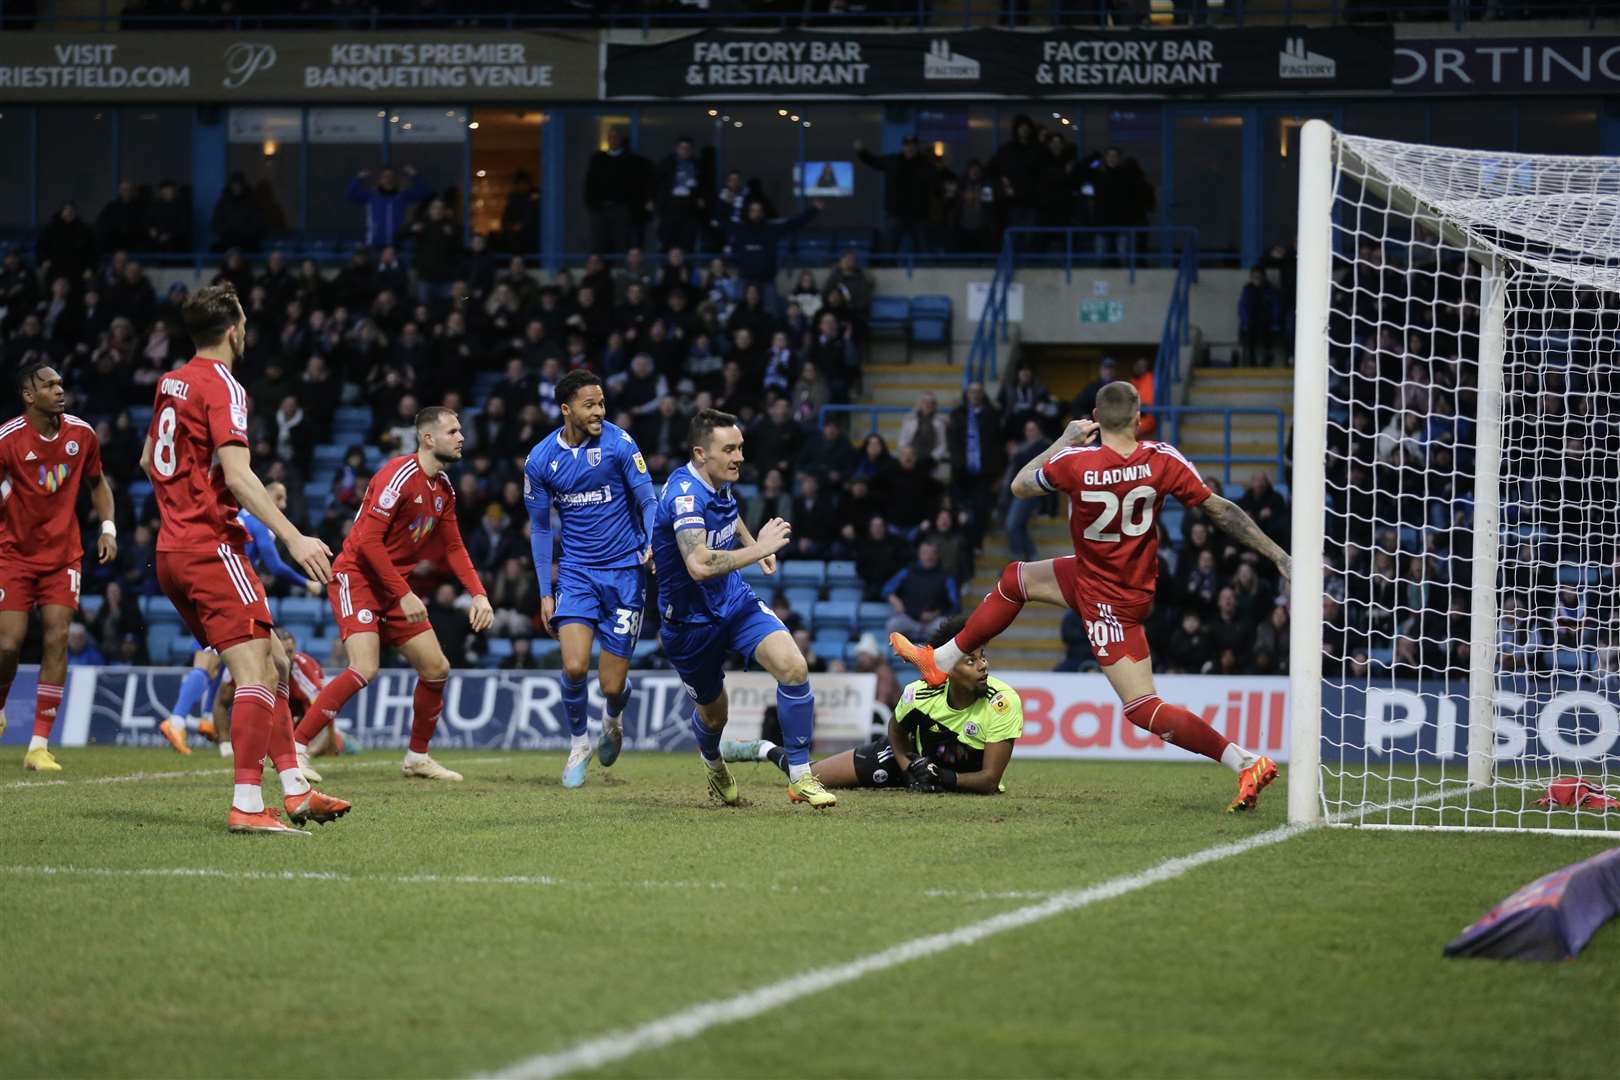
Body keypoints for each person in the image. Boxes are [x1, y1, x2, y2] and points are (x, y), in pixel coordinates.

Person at [892, 380, 1292, 813]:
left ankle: (1245, 761)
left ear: (1096, 420)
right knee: (1016, 579)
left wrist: (1062, 439)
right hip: (1115, 579)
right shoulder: (1162, 459)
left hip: (1107, 598)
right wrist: (1279, 556)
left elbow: (1021, 486)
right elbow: (1221, 509)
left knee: (1142, 707)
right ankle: (942, 660)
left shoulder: (1076, 461)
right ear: (1139, 418)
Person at [140, 283, 348, 834]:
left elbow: (147, 459)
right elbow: (238, 475)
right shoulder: (225, 385)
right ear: (234, 329)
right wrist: (293, 537)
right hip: (212, 548)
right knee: (256, 670)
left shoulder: (171, 381)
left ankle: (297, 790)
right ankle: (247, 805)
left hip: (171, 550)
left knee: (276, 662)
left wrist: (179, 507)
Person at [293, 408, 494, 783]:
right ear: (428, 438)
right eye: (453, 431)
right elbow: (368, 541)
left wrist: (479, 594)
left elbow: (454, 548)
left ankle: (417, 757)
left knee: (437, 669)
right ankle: (296, 747)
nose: (461, 437)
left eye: (461, 430)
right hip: (358, 578)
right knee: (365, 667)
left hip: (393, 586)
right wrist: (404, 593)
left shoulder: (444, 489)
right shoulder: (398, 475)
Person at [650, 408, 835, 808]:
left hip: (734, 600)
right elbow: (698, 565)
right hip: (689, 623)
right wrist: (760, 549)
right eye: (729, 449)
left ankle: (802, 776)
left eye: (741, 448)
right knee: (715, 717)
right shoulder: (685, 495)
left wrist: (751, 541)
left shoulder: (719, 480)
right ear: (701, 453)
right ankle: (714, 765)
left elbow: (728, 518)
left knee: (794, 667)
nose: (739, 457)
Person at [523, 370, 657, 787]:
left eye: (602, 404)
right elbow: (542, 530)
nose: (599, 411)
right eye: (590, 405)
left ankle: (613, 718)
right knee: (575, 665)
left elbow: (648, 498)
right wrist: (546, 593)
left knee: (610, 682)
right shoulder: (541, 460)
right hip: (578, 574)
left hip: (625, 574)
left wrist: (653, 541)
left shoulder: (620, 444)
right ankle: (578, 743)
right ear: (567, 409)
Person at [723, 617, 1022, 794]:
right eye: (971, 660)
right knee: (805, 777)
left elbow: (989, 779)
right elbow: (895, 732)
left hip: (948, 774)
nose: (983, 666)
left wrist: (943, 778)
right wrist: (909, 769)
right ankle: (763, 749)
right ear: (946, 668)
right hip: (909, 761)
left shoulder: (1002, 702)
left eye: (983, 657)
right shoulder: (919, 694)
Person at [0, 363, 117, 771]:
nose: (59, 389)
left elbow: (98, 483)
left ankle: (37, 746)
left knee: (58, 636)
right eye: (49, 385)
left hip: (63, 556)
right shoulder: (8, 440)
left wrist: (108, 528)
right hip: (12, 556)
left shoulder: (81, 434)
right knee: (7, 645)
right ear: (29, 397)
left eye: (61, 382)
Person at [158, 480, 324, 757]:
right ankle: (178, 721)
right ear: (263, 496)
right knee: (257, 666)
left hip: (193, 575)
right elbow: (273, 565)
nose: (282, 505)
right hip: (231, 593)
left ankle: (206, 721)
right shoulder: (258, 524)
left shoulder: (226, 516)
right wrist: (306, 583)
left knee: (214, 660)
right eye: (278, 499)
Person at [584, 128, 654, 255]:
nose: (613, 141)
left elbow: (640, 185)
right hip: (600, 209)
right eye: (610, 138)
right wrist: (592, 205)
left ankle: (619, 271)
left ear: (621, 141)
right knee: (598, 243)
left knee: (621, 242)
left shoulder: (632, 161)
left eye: (616, 138)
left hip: (622, 209)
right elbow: (590, 184)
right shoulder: (598, 159)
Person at [345, 166, 431, 248]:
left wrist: (414, 175)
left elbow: (425, 192)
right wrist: (359, 178)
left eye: (391, 175)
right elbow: (350, 194)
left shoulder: (402, 195)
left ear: (395, 179)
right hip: (375, 243)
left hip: (397, 243)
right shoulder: (372, 195)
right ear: (380, 179)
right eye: (385, 175)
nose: (388, 178)